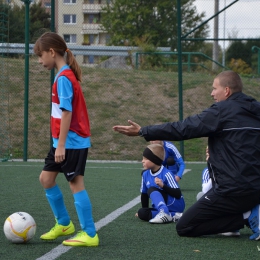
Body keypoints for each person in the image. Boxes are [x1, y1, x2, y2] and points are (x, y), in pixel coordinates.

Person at [113, 70, 260, 240]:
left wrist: (143, 131)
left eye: (214, 89)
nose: (212, 93)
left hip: (233, 190)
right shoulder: (256, 108)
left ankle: (247, 216)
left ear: (226, 91)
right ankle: (248, 212)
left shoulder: (221, 111)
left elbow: (183, 128)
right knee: (207, 199)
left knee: (185, 226)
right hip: (256, 188)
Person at [33, 32, 99, 247]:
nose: (40, 60)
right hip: (60, 142)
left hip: (71, 142)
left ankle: (89, 233)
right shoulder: (62, 75)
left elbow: (67, 113)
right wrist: (57, 143)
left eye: (40, 55)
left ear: (52, 52)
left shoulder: (64, 78)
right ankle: (64, 224)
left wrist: (61, 144)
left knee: (75, 183)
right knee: (46, 179)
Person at [136, 143, 185, 223]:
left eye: (145, 159)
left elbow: (178, 194)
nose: (142, 161)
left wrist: (163, 186)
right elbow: (144, 195)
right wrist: (144, 209)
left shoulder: (167, 173)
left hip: (175, 204)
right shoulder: (145, 174)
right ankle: (174, 215)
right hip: (160, 207)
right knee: (142, 213)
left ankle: (165, 212)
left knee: (152, 189)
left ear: (154, 160)